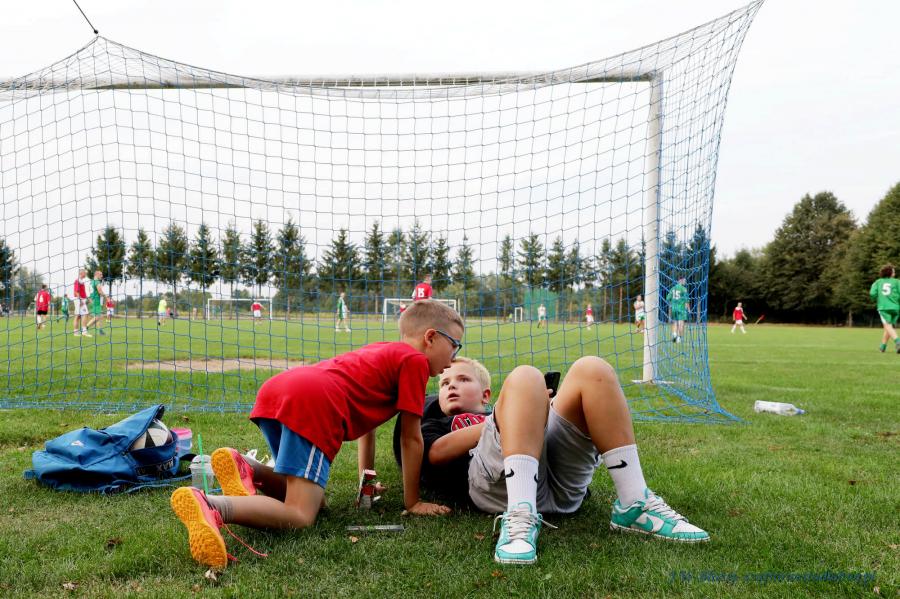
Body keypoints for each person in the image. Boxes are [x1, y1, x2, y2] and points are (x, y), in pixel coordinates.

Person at [169, 300, 465, 569]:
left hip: (281, 390)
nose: (452, 359)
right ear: (430, 337)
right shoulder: (415, 362)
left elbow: (369, 428)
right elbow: (411, 438)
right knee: (300, 515)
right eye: (455, 346)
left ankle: (247, 468)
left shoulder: (386, 351)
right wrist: (413, 502)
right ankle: (212, 505)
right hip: (313, 404)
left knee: (316, 502)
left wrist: (366, 484)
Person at [395, 355, 708, 566]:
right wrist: (515, 413)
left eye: (462, 379)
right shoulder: (436, 417)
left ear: (486, 394)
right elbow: (435, 453)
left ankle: (635, 504)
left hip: (561, 486)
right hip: (497, 490)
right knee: (525, 376)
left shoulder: (497, 405)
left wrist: (536, 410)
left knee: (592, 368)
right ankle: (520, 515)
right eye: (444, 383)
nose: (451, 385)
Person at [869, 264, 900, 353]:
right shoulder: (897, 282)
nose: (894, 273)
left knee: (888, 326)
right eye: (893, 272)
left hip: (884, 307)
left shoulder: (878, 282)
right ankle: (882, 347)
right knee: (890, 327)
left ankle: (898, 342)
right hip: (895, 308)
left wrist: (875, 298)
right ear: (890, 273)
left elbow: (872, 294)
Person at [666, 277, 690, 343]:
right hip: (681, 308)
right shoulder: (684, 289)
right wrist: (688, 309)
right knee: (681, 323)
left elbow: (668, 298)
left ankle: (674, 334)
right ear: (680, 280)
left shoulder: (672, 288)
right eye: (684, 281)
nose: (685, 282)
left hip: (674, 308)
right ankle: (679, 338)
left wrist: (673, 303)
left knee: (675, 322)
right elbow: (686, 300)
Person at [83, 270, 106, 336]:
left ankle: (100, 330)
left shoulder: (91, 282)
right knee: (98, 317)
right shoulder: (97, 282)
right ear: (96, 275)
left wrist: (89, 298)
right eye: (100, 274)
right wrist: (106, 297)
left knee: (99, 316)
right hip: (96, 301)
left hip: (92, 300)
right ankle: (85, 328)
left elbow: (88, 291)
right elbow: (100, 291)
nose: (102, 276)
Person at [72, 269, 91, 337]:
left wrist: (87, 299)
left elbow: (83, 292)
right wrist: (80, 300)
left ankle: (78, 332)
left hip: (81, 300)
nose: (86, 274)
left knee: (79, 316)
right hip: (79, 300)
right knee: (83, 314)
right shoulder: (77, 281)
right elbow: (76, 292)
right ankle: (83, 332)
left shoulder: (81, 281)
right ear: (81, 273)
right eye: (85, 273)